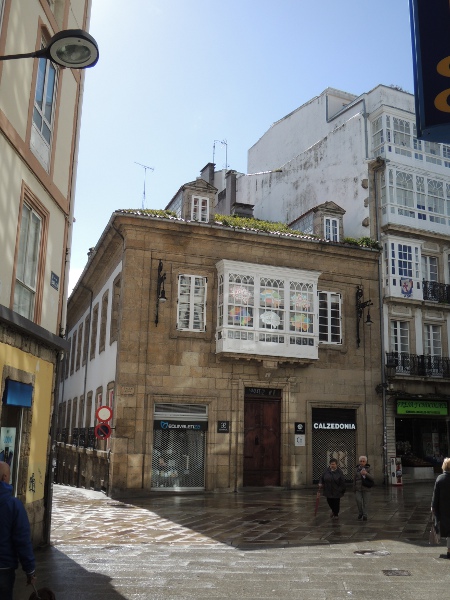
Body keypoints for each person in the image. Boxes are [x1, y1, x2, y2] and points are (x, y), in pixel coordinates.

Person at [0, 461, 36, 600]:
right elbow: (22, 540)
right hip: (4, 568)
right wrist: (30, 570)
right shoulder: (13, 505)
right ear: (4, 478)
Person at [431, 456, 450, 559]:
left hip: (444, 509)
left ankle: (449, 550)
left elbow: (435, 495)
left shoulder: (440, 478)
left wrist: (433, 507)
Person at [353, 455, 374, 521]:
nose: (362, 462)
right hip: (358, 488)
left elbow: (372, 478)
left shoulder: (369, 468)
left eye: (363, 461)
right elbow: (354, 479)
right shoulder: (356, 469)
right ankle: (360, 512)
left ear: (366, 462)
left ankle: (365, 515)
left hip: (366, 488)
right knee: (358, 501)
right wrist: (354, 488)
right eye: (361, 461)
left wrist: (366, 473)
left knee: (365, 502)